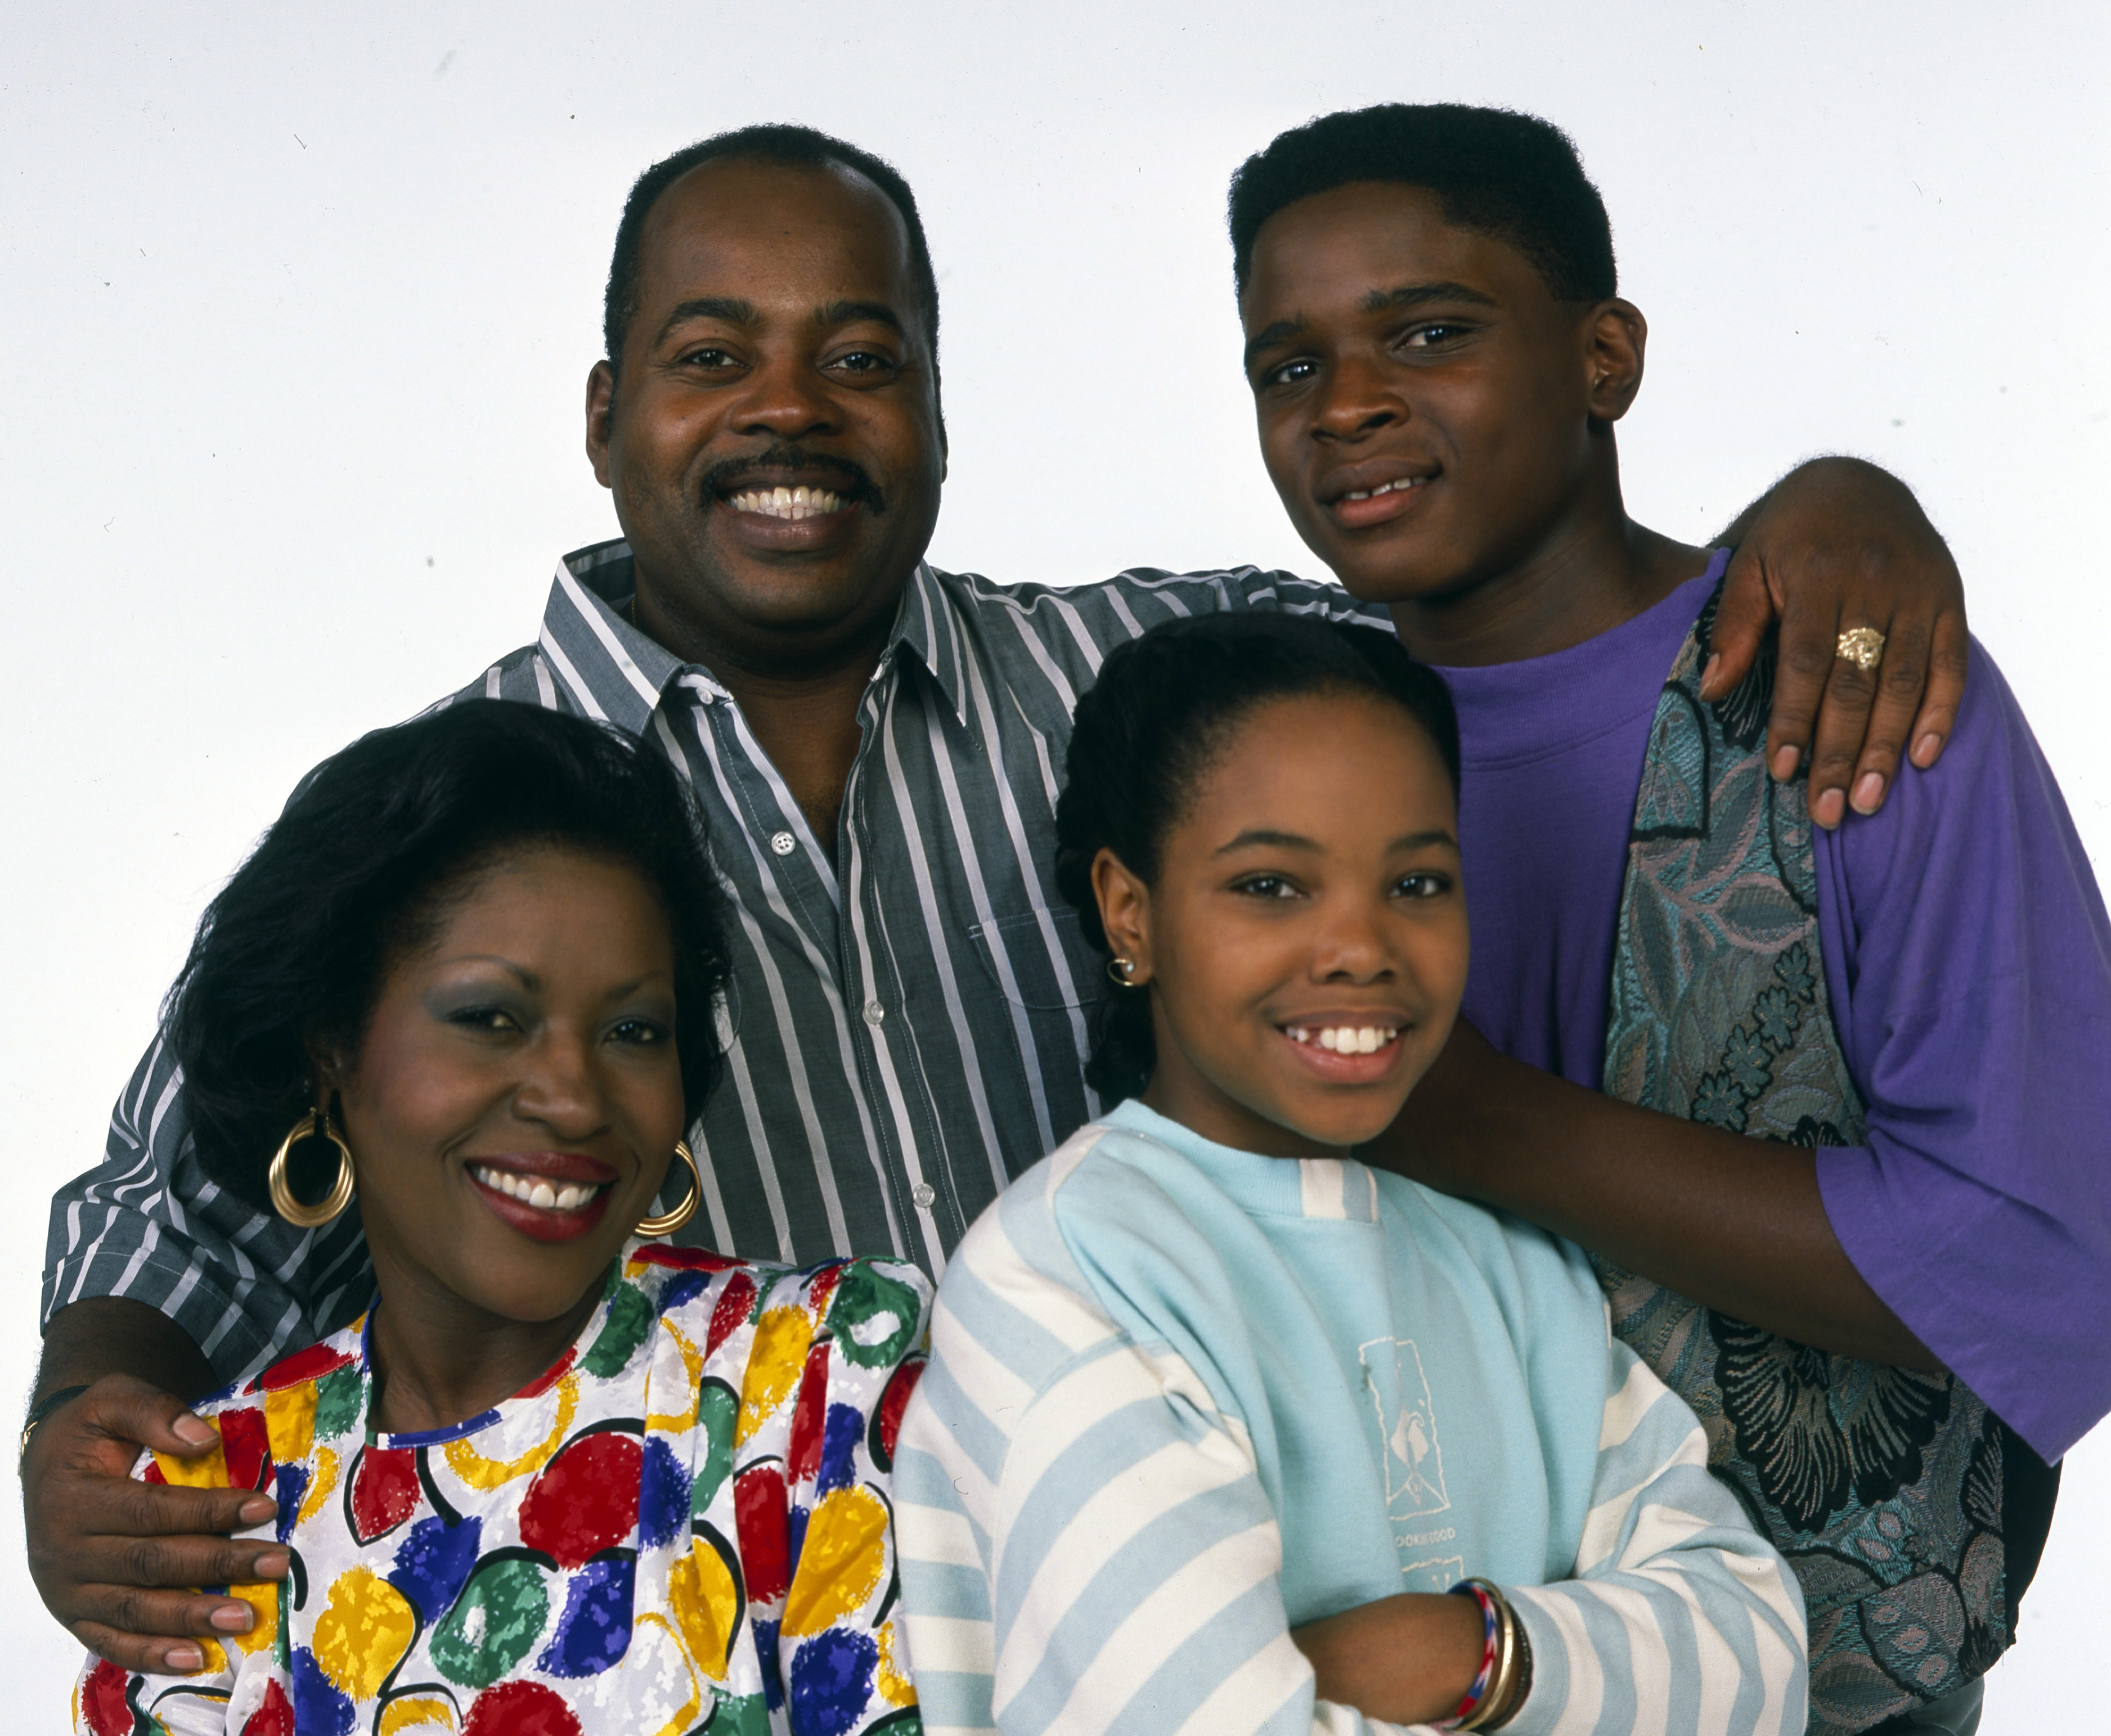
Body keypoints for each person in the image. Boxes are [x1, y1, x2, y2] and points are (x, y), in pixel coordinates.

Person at [30, 121, 1976, 1676]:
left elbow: (1508, 600)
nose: (792, 411)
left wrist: (1812, 518)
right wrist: (98, 1410)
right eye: (716, 357)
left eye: (860, 357)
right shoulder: (462, 805)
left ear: (941, 412)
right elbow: (186, 1177)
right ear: (607, 410)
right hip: (711, 1637)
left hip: (1236, 1602)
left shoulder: (1142, 679)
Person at [1225, 104, 2111, 1733]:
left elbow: (2043, 1249)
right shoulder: (1242, 736)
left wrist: (1479, 1121)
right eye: (1289, 365)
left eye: (1429, 331)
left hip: (1820, 1684)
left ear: (1604, 356)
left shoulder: (1853, 696)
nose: (1347, 401)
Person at [895, 611, 1808, 1736]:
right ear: (1129, 912)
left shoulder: (1501, 1252)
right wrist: (1593, 1677)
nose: (1362, 946)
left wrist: (1466, 1651)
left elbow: (1754, 1651)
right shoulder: (1065, 1272)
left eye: (1417, 884)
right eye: (1271, 885)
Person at [69, 700, 930, 1735]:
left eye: (631, 1028)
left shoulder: (823, 1376)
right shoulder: (213, 1492)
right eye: (491, 1018)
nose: (572, 1096)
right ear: (334, 1045)